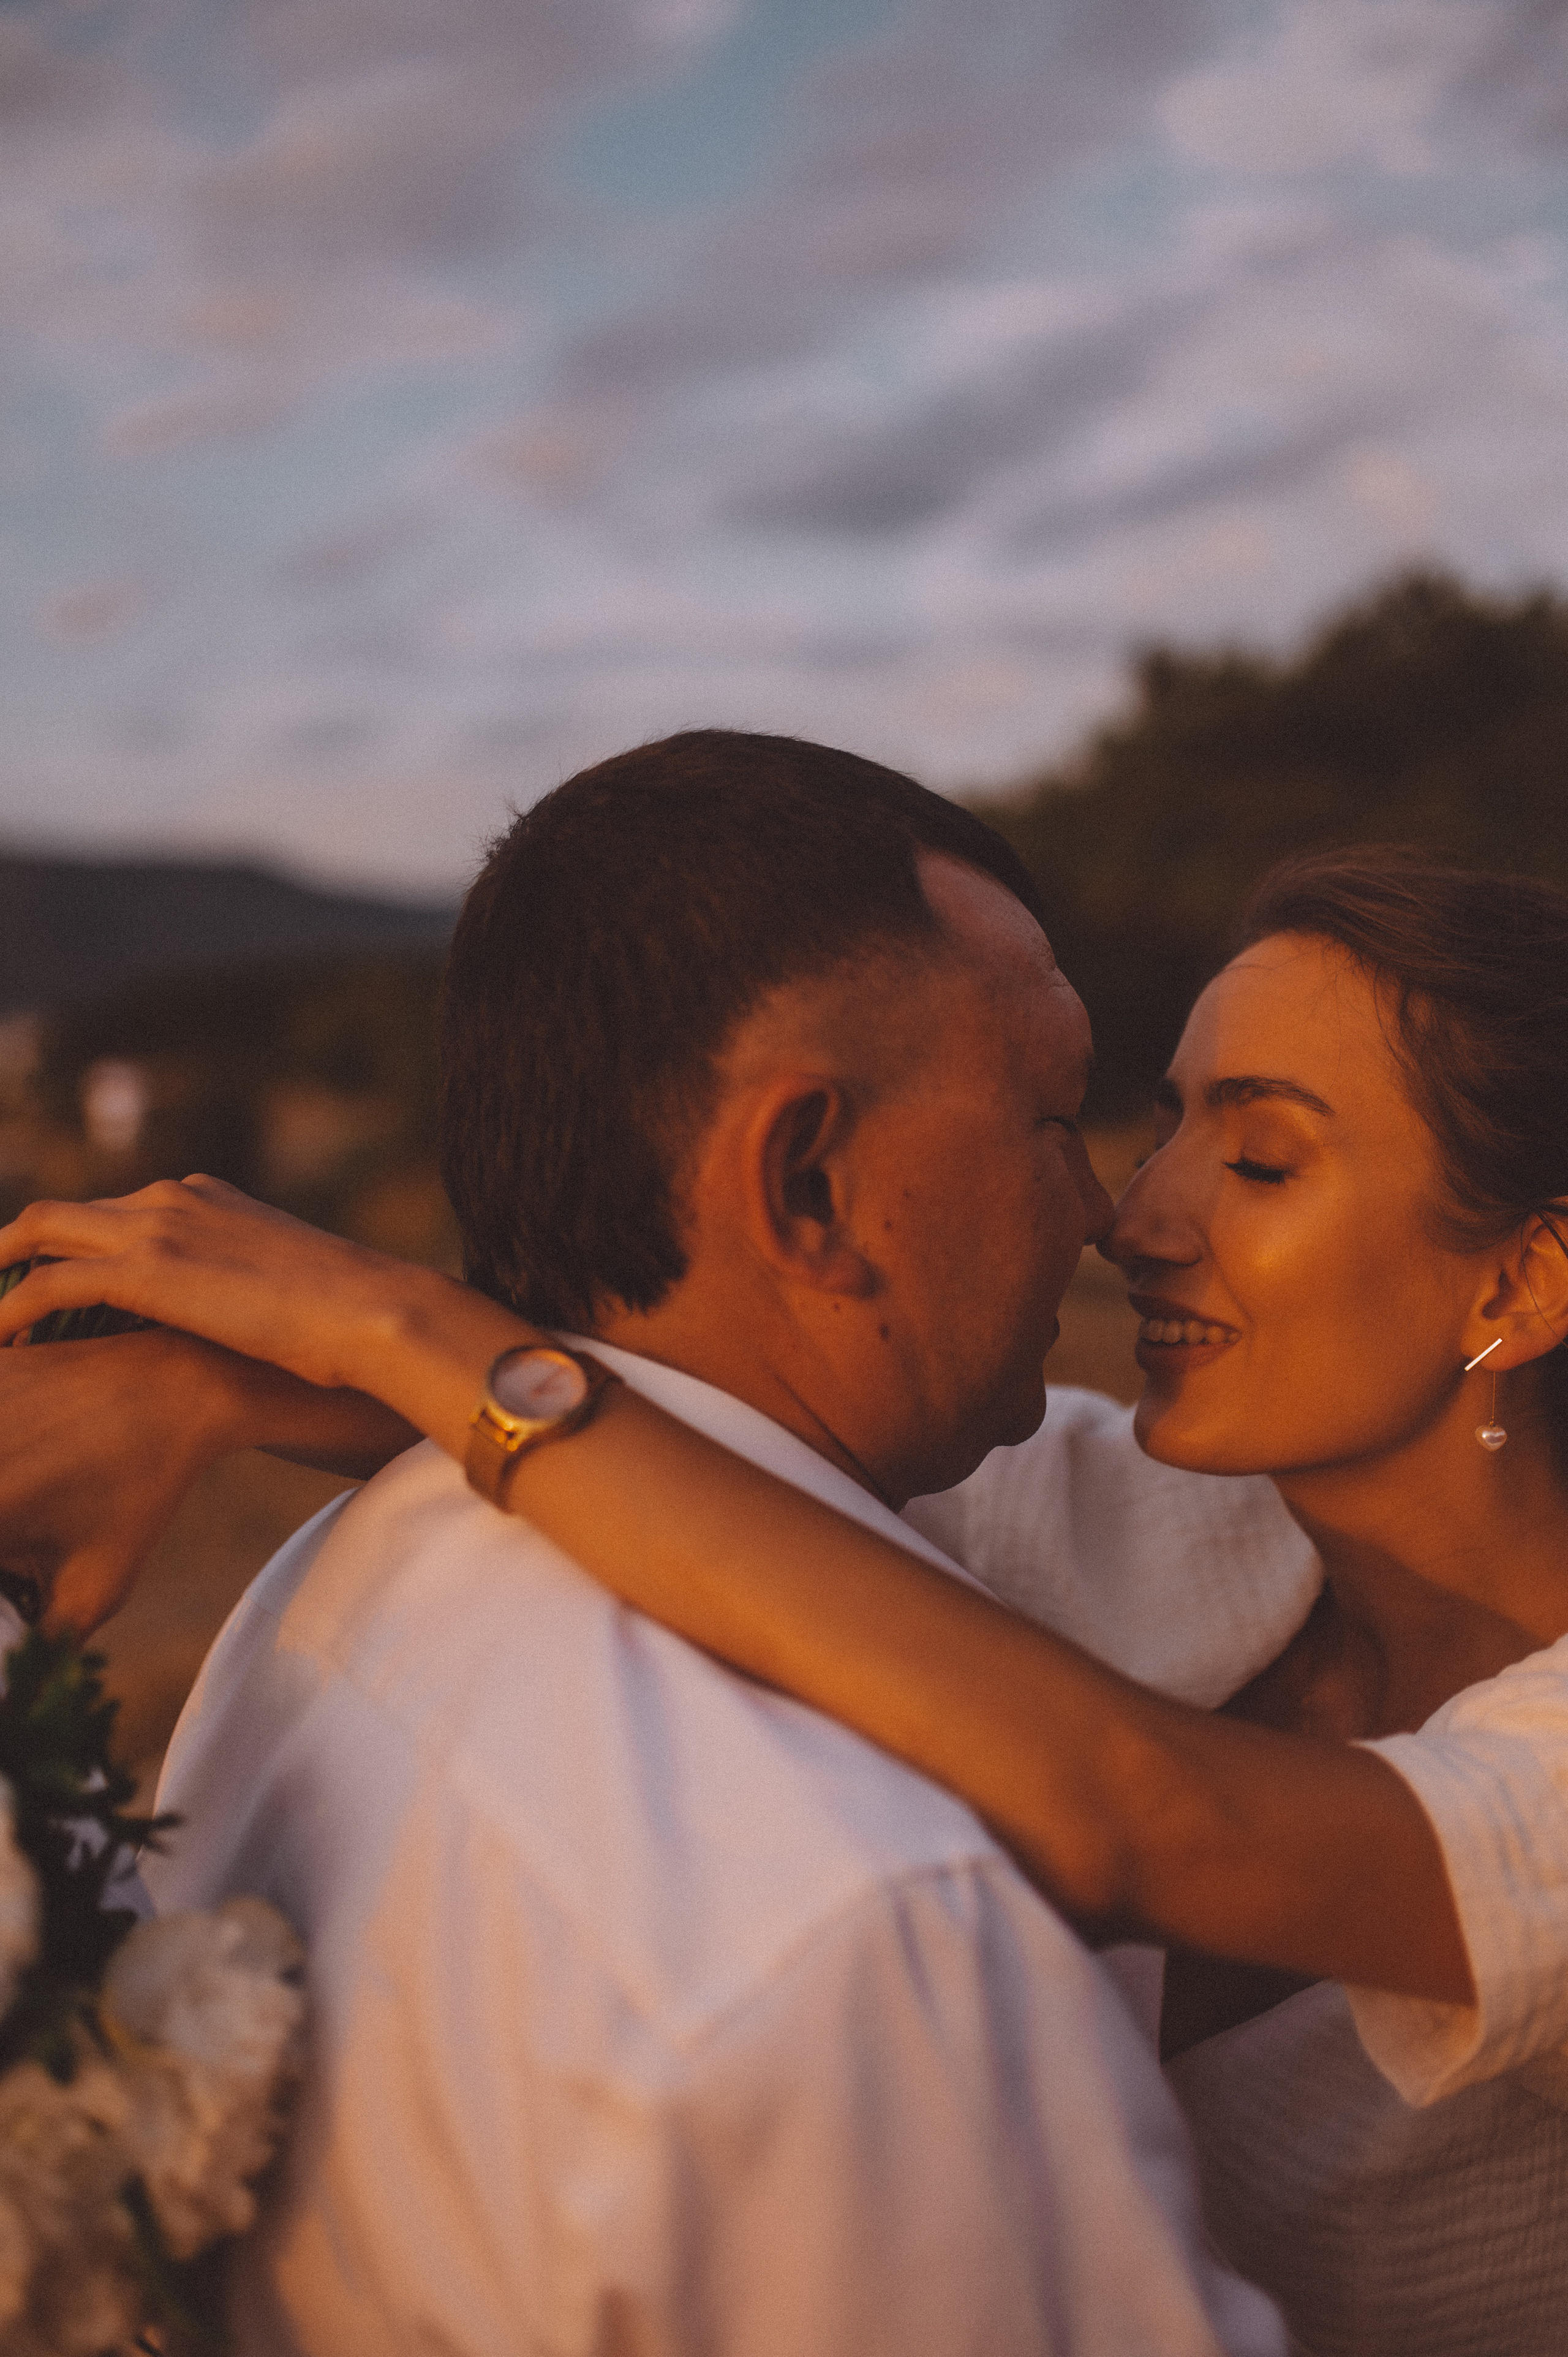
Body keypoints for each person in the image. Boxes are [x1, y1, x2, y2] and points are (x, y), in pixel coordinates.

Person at [9, 844, 1568, 2353]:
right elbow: (706, 1451)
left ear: (1515, 1285)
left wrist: (390, 1317)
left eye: (1258, 1158)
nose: (1134, 1215)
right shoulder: (1171, 1525)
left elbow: (1142, 1813)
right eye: (1154, 1123)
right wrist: (208, 1382)